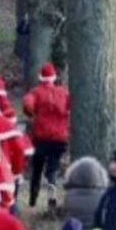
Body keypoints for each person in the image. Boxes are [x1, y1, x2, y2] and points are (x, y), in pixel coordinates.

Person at [21, 63, 69, 208]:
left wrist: (32, 114)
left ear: (40, 78)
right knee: (53, 166)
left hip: (41, 137)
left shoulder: (36, 92)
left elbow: (27, 103)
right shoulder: (64, 93)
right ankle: (52, 185)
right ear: (54, 77)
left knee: (37, 168)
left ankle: (33, 199)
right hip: (60, 137)